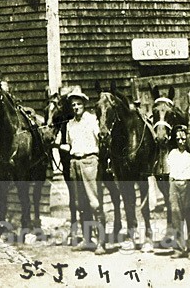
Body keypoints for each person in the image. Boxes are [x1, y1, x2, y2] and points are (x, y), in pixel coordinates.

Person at [58, 86, 105, 255]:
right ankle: (87, 240)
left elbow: (101, 139)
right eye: (73, 105)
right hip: (74, 163)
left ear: (84, 104)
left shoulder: (92, 120)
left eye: (78, 104)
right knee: (80, 204)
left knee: (94, 203)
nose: (76, 107)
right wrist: (56, 144)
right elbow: (70, 145)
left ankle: (101, 242)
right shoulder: (70, 124)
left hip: (90, 162)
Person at [167, 125, 190, 258]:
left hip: (188, 184)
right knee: (176, 217)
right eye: (178, 139)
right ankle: (178, 248)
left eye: (183, 139)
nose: (181, 142)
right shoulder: (172, 153)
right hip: (175, 185)